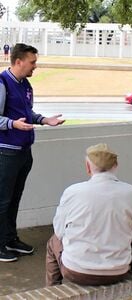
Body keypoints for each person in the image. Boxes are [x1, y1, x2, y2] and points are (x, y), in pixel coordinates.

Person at [0, 43, 65, 262]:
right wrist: (12, 124)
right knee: (3, 200)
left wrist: (45, 120)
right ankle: (0, 245)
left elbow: (27, 114)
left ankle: (10, 239)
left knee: (15, 198)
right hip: (6, 153)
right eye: (32, 62)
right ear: (18, 61)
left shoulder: (25, 84)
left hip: (24, 152)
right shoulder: (2, 82)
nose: (35, 66)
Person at [46, 143, 132, 286]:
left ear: (88, 167)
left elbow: (59, 232)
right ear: (115, 165)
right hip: (119, 271)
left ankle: (52, 291)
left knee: (53, 242)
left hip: (76, 270)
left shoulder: (73, 192)